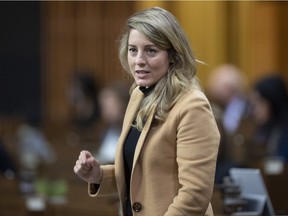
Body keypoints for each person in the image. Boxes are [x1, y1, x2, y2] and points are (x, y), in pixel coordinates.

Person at [74, 7, 220, 216]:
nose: (139, 60)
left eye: (151, 50)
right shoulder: (138, 95)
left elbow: (195, 194)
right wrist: (99, 175)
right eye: (133, 50)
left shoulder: (192, 106)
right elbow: (142, 174)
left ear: (172, 55)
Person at [249, 74, 288, 164]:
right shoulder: (261, 129)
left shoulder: (284, 132)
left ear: (273, 101)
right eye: (253, 103)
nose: (255, 110)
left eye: (260, 102)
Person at [94, 82, 130, 164]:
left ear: (124, 104)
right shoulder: (108, 131)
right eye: (103, 107)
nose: (106, 111)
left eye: (110, 107)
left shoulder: (133, 133)